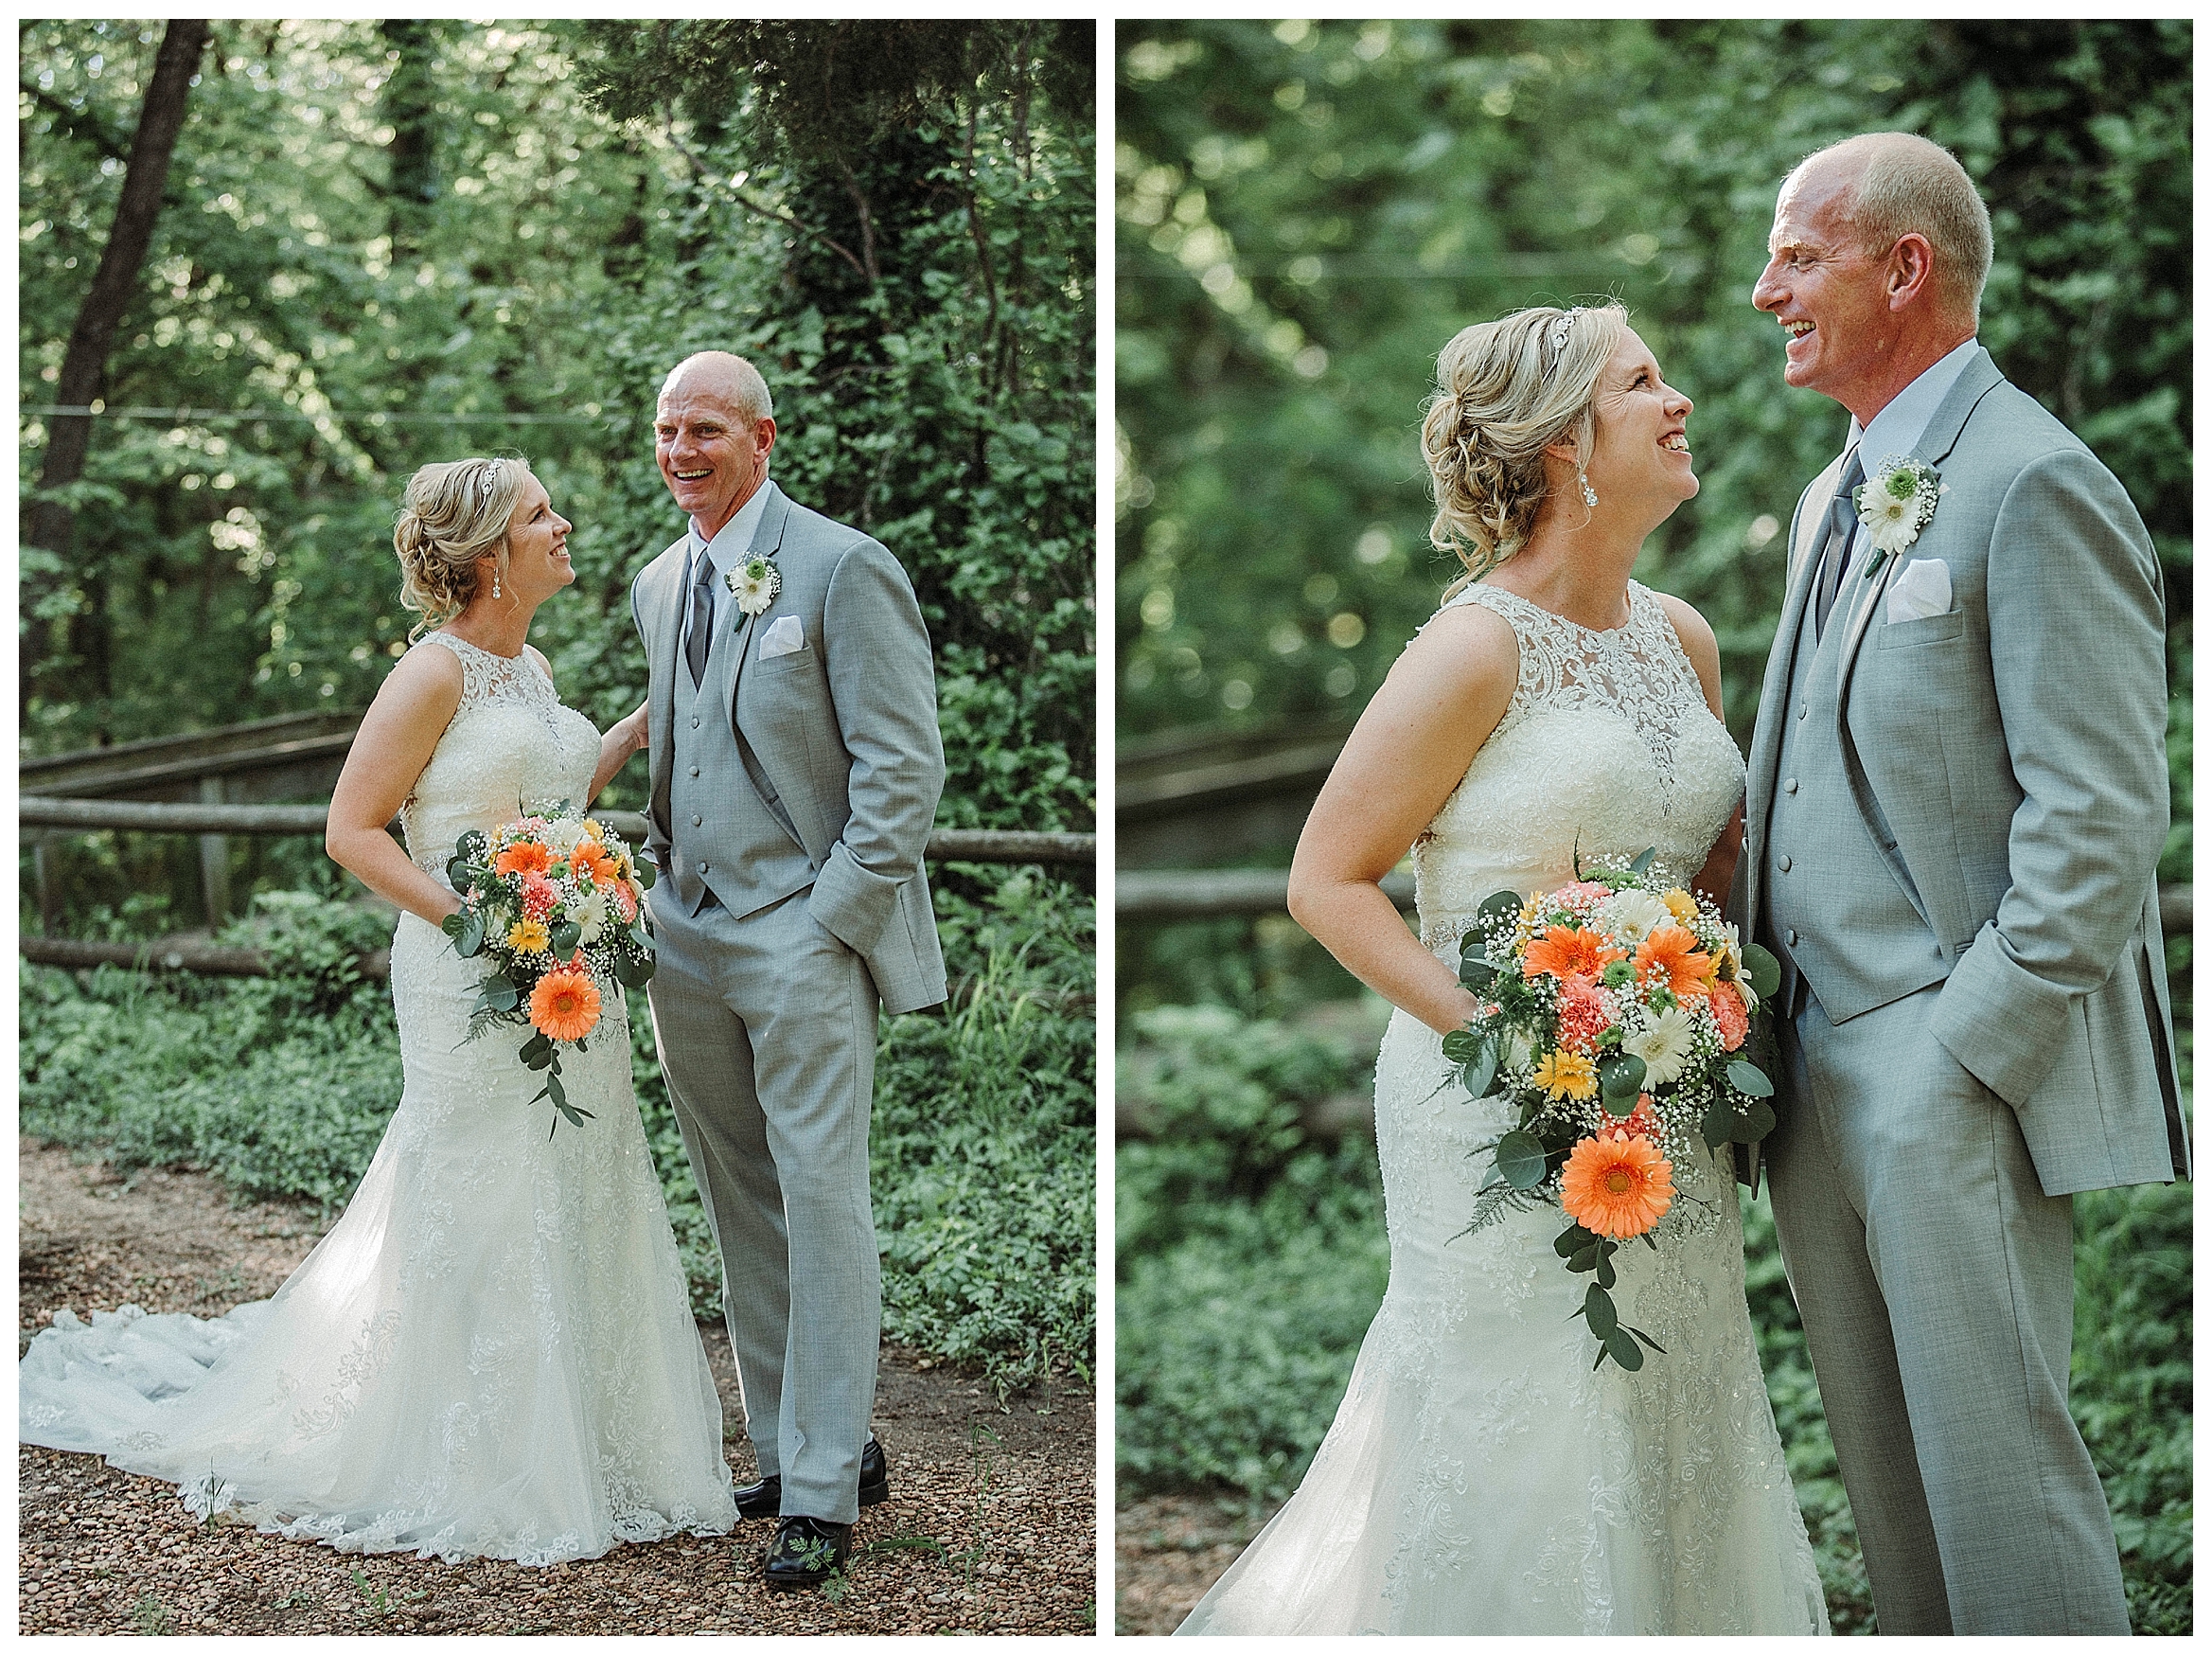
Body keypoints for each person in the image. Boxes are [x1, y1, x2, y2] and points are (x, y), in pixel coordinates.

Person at [1176, 305, 1827, 1635]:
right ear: (1568, 444)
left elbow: (1707, 876)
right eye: (1645, 383)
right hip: (1494, 1107)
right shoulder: (1475, 648)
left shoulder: (1682, 639)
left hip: (1662, 1104)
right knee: (1528, 1415)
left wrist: (1698, 998)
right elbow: (1326, 882)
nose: (1679, 400)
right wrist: (1508, 1038)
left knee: (1668, 1399)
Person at [18, 456, 738, 1564]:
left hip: (563, 970)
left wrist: (635, 731)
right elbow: (352, 829)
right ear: (492, 550)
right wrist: (475, 925)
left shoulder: (530, 664)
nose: (565, 524)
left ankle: (592, 1440)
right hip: (466, 971)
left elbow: (544, 798)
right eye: (542, 513)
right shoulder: (432, 673)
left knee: (575, 1173)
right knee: (483, 1178)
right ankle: (470, 1445)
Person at [1739, 132, 2187, 1635]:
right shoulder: (1828, 499)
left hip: (1949, 1064)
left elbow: (2106, 810)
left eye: (1799, 256)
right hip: (1804, 1069)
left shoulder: (2036, 478)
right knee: (1892, 1496)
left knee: (2001, 1488)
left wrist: (1968, 1048)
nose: (1765, 291)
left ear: (1903, 266)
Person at [628, 351, 946, 1592]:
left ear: (762, 437)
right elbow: (680, 750)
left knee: (821, 1193)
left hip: (801, 930)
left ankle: (821, 1494)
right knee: (738, 1192)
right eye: (666, 429)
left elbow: (901, 769)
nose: (680, 450)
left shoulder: (841, 567)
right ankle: (798, 1444)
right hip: (685, 930)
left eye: (703, 427)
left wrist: (834, 917)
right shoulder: (660, 583)